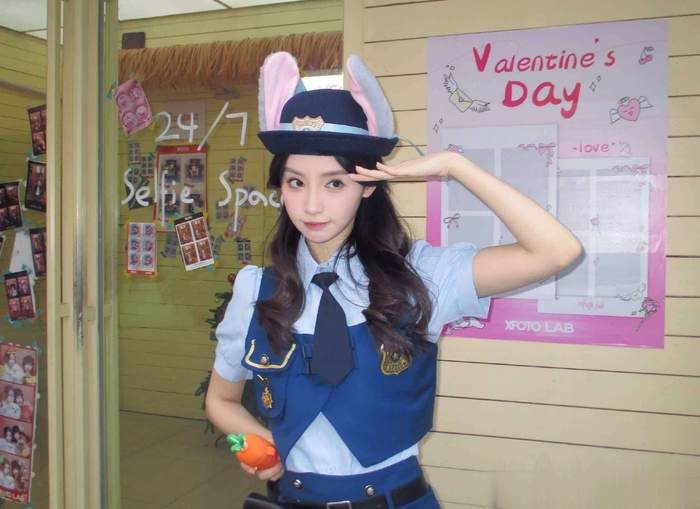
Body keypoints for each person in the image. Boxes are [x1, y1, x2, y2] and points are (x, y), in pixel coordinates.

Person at [205, 52, 582, 508]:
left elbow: (556, 251)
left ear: (368, 185)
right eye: (295, 182)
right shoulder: (256, 290)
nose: (312, 205)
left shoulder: (421, 277)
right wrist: (254, 441)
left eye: (335, 183)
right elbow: (221, 400)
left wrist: (454, 166)